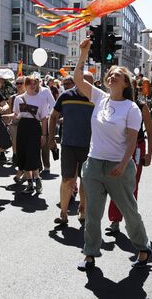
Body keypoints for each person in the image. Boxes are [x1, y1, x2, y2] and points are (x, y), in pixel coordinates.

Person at [73, 39, 151, 270]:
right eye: (110, 74)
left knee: (129, 211)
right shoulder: (99, 97)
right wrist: (83, 55)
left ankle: (143, 248)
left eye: (117, 75)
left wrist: (124, 163)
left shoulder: (131, 108)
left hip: (119, 166)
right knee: (92, 213)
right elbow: (78, 79)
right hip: (94, 164)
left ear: (126, 83)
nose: (112, 76)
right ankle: (90, 254)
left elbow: (131, 141)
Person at [106, 83, 152, 234]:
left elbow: (150, 131)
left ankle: (130, 219)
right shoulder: (114, 104)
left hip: (137, 148)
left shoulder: (142, 107)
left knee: (132, 184)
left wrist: (149, 154)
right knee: (115, 182)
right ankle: (115, 219)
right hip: (118, 147)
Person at [49, 75, 93, 225]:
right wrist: (50, 137)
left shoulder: (97, 98)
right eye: (85, 82)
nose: (88, 85)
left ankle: (82, 209)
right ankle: (63, 213)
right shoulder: (65, 96)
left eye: (90, 83)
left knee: (85, 180)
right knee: (67, 179)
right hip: (68, 144)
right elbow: (53, 116)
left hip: (90, 146)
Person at [13, 75, 50, 194]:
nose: (32, 86)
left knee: (33, 154)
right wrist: (5, 116)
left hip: (34, 127)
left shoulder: (41, 99)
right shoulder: (18, 98)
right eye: (29, 83)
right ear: (25, 84)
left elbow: (44, 118)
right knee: (22, 153)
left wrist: (44, 135)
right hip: (22, 126)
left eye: (35, 83)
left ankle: (38, 179)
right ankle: (30, 183)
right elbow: (16, 115)